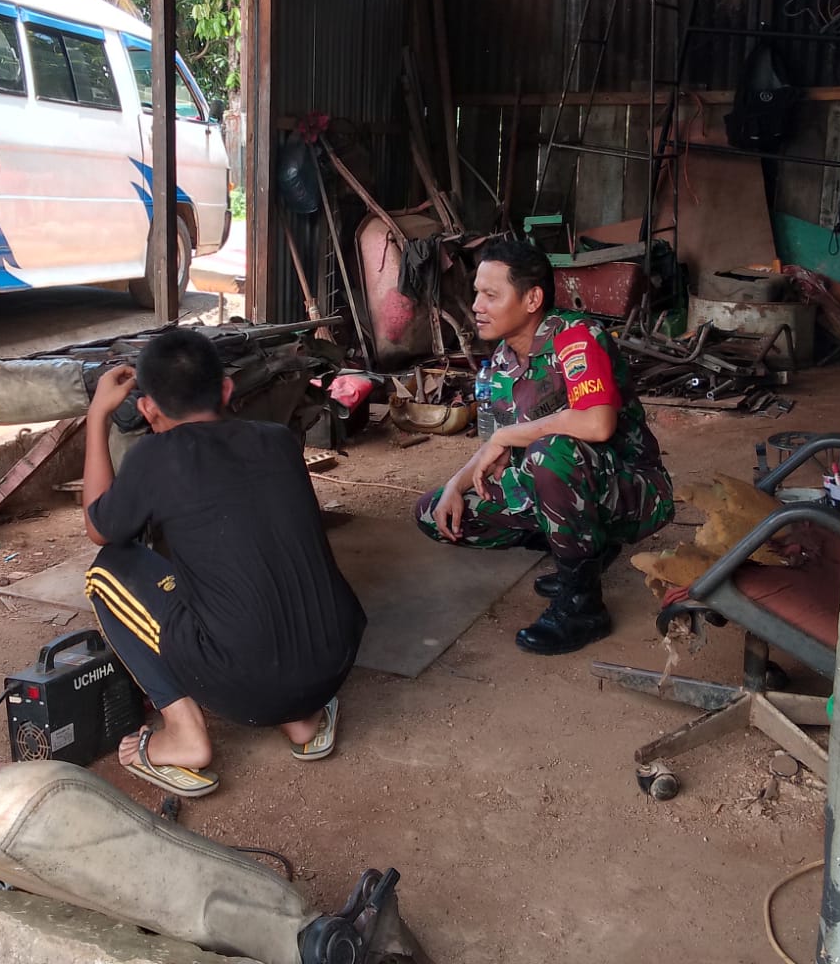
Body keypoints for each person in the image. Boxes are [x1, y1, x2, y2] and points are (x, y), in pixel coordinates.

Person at [80, 328, 366, 797]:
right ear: (228, 390)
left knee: (108, 569)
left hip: (243, 683)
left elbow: (100, 527)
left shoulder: (157, 455)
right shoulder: (277, 441)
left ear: (149, 409)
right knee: (260, 565)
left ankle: (184, 731)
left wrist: (97, 418)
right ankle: (302, 721)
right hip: (331, 662)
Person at [414, 239, 674, 654]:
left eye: (491, 295)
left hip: (634, 491)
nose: (477, 305)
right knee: (434, 513)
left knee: (550, 453)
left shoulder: (576, 337)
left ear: (532, 298)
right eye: (477, 292)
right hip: (567, 488)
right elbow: (499, 449)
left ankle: (581, 605)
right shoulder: (501, 362)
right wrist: (455, 484)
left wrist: (505, 437)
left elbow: (597, 422)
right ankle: (583, 548)